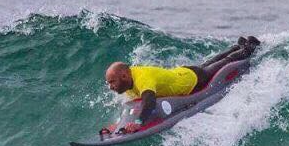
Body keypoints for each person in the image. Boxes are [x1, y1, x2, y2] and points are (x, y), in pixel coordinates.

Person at [104, 36, 261, 133]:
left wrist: (138, 123)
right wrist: (119, 125)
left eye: (112, 82)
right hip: (180, 73)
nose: (110, 86)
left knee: (220, 65)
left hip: (190, 80)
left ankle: (249, 47)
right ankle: (237, 46)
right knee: (211, 63)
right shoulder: (128, 81)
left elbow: (149, 102)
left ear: (124, 76)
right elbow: (135, 107)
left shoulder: (143, 78)